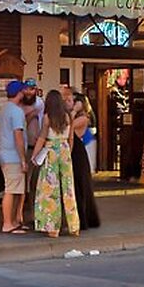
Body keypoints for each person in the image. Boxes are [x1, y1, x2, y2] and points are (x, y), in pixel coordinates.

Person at [30, 90, 80, 238]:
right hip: (64, 150)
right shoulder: (68, 117)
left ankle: (53, 228)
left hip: (51, 151)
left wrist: (34, 155)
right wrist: (68, 152)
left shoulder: (47, 118)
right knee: (68, 188)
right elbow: (71, 138)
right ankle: (74, 226)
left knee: (50, 190)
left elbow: (42, 138)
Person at [64, 87, 100, 230]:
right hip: (72, 151)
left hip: (78, 153)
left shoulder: (83, 118)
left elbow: (68, 128)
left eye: (71, 101)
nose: (69, 103)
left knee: (80, 186)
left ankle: (83, 219)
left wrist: (73, 112)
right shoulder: (71, 115)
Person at [0, 81, 29, 234]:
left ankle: (14, 221)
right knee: (11, 190)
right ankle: (8, 223)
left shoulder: (3, 109)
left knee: (15, 189)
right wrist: (23, 159)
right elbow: (18, 136)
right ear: (20, 93)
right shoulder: (17, 112)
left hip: (3, 152)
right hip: (13, 156)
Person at [20, 79, 45, 229]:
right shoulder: (20, 106)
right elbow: (21, 124)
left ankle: (36, 212)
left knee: (37, 181)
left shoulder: (40, 103)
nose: (29, 92)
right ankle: (24, 213)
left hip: (39, 147)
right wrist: (31, 115)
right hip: (26, 146)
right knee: (25, 181)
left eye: (32, 89)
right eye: (27, 89)